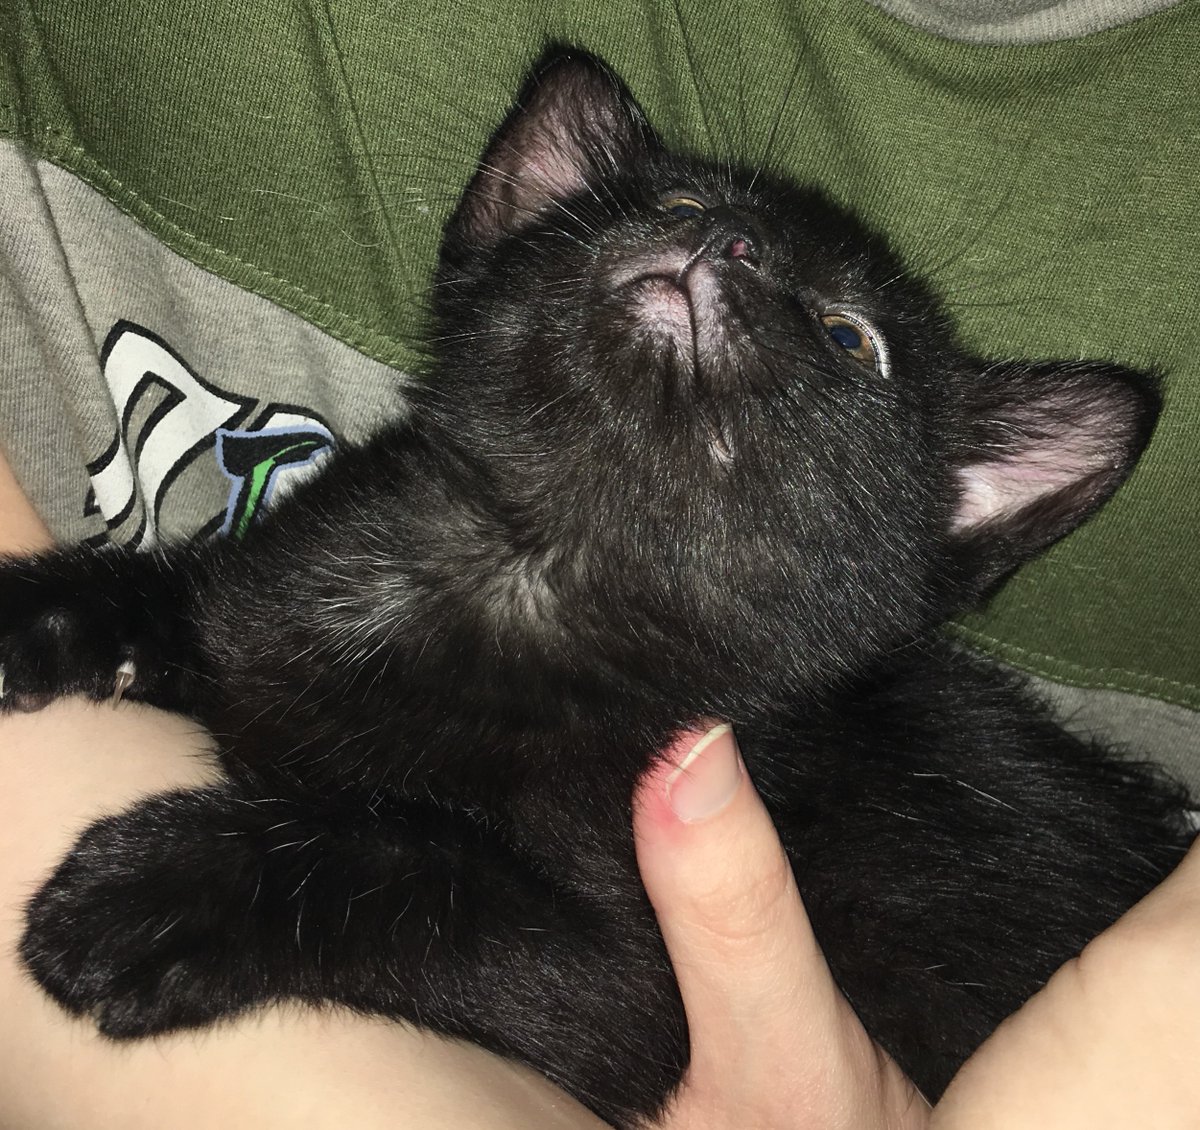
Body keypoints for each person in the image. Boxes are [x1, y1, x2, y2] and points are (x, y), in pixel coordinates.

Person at [1, 0, 1197, 1125]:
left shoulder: (670, 748)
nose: (729, 243)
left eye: (845, 337)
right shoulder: (328, 541)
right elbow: (198, 622)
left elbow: (608, 991)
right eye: (673, 204)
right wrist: (92, 618)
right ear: (510, 236)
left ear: (954, 515)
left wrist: (279, 887)